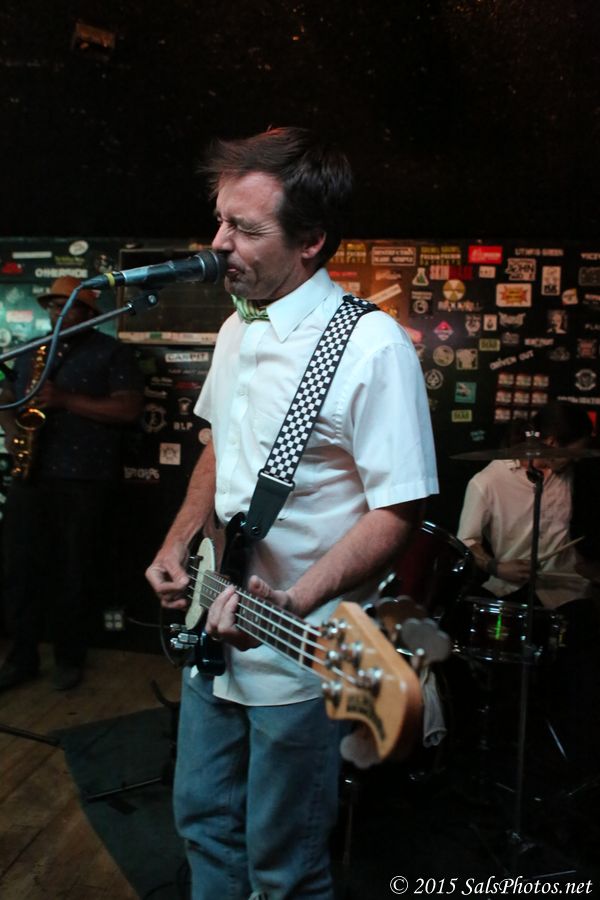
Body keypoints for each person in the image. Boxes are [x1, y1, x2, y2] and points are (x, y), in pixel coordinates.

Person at [145, 126, 438, 900]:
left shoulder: (371, 347)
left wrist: (293, 600)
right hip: (215, 624)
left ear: (311, 241)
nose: (219, 244)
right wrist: (178, 545)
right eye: (219, 221)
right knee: (203, 826)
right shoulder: (236, 326)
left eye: (245, 229)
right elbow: (219, 447)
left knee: (285, 867)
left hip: (303, 652)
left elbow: (400, 509)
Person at [0, 276, 144, 691]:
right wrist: (12, 430)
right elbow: (6, 394)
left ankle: (69, 658)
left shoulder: (112, 352)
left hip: (83, 478)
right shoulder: (31, 350)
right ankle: (21, 657)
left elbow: (129, 409)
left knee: (73, 572)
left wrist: (65, 400)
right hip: (31, 475)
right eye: (52, 306)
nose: (58, 313)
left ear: (88, 312)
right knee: (19, 571)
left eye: (68, 306)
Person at [456, 401, 600, 776]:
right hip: (510, 589)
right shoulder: (487, 481)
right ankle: (504, 756)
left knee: (583, 670)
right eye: (574, 449)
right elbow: (466, 543)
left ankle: (573, 761)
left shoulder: (576, 478)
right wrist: (496, 566)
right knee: (506, 674)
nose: (578, 458)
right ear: (550, 441)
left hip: (567, 591)